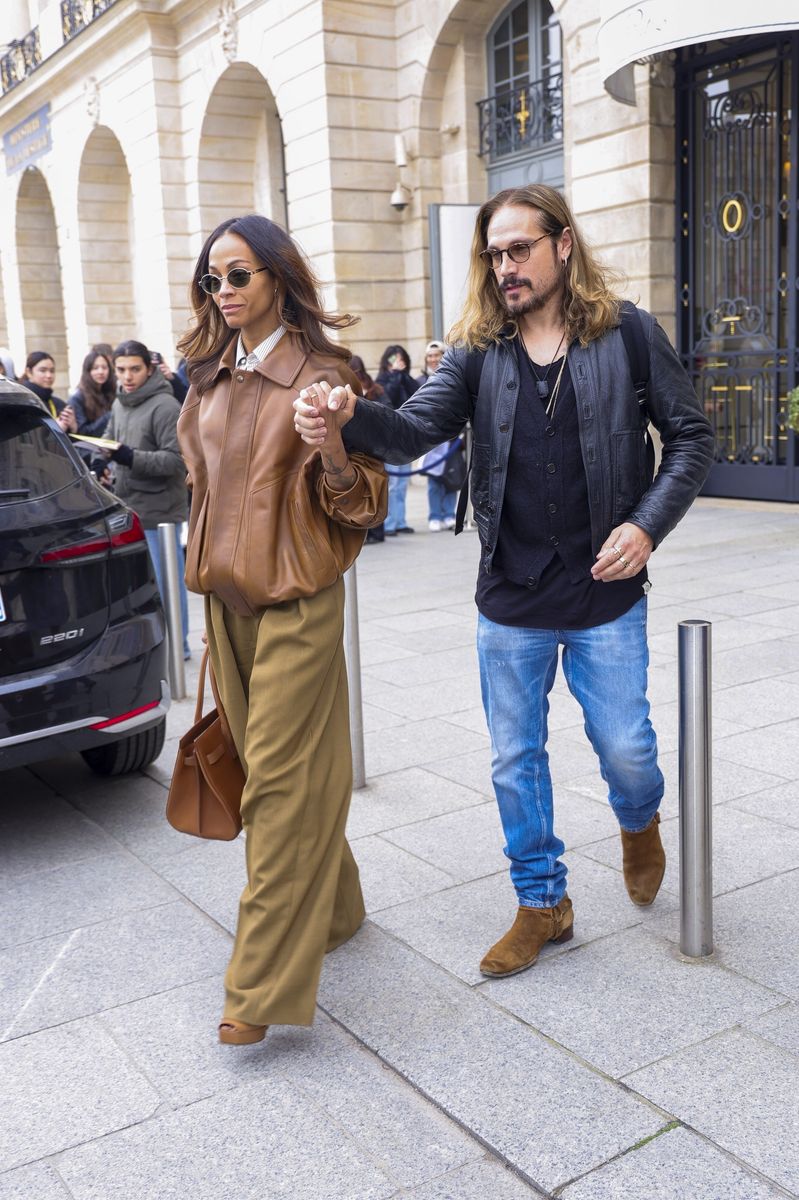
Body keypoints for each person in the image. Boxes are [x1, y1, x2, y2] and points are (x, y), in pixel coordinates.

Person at [294, 183, 714, 979]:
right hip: (510, 597)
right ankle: (541, 902)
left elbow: (690, 436)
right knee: (512, 758)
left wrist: (646, 525)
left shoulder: (625, 333)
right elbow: (416, 428)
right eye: (493, 253)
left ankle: (638, 819)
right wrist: (351, 412)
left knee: (626, 748)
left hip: (604, 590)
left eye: (519, 248)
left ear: (562, 244)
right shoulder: (479, 351)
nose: (505, 266)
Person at [176, 213, 386, 1046]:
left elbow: (363, 504)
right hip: (224, 609)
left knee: (275, 787)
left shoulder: (325, 377)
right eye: (211, 280)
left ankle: (255, 985)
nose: (222, 292)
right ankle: (337, 907)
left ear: (276, 278)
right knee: (268, 766)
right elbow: (201, 493)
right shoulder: (205, 383)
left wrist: (333, 446)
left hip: (297, 602)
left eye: (238, 276)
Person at [104, 339, 191, 658]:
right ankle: (158, 643)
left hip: (161, 514)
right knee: (142, 589)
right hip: (129, 510)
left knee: (168, 586)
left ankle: (178, 647)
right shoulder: (119, 402)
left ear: (150, 368)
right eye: (121, 370)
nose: (127, 376)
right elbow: (110, 439)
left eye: (135, 369)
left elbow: (176, 461)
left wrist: (129, 458)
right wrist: (102, 458)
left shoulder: (165, 406)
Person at [376, 343, 418, 535]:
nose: (398, 362)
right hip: (388, 437)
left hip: (405, 435)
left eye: (400, 359)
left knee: (401, 483)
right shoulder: (382, 380)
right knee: (392, 483)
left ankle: (400, 521)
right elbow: (387, 398)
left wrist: (403, 375)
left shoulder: (405, 378)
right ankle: (389, 523)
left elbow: (417, 392)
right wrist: (394, 375)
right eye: (394, 358)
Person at [417, 340, 459, 531]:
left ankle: (450, 514)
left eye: (437, 355)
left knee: (451, 477)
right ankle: (435, 515)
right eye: (430, 356)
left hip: (452, 437)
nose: (434, 359)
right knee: (434, 479)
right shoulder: (420, 381)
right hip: (430, 435)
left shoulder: (456, 377)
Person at [350, 354, 389, 543]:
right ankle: (373, 532)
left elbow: (387, 410)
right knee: (374, 488)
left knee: (367, 490)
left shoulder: (372, 388)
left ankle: (371, 532)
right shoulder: (373, 388)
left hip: (365, 446)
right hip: (371, 447)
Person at [21, 351, 76, 433]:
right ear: (29, 372)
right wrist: (55, 430)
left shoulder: (59, 404)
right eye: (43, 370)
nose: (49, 375)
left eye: (52, 371)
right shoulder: (21, 402)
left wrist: (73, 427)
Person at [69, 348, 116, 437]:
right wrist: (111, 414)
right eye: (95, 368)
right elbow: (83, 432)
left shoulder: (111, 392)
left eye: (104, 367)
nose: (101, 372)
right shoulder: (77, 398)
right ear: (88, 371)